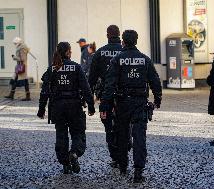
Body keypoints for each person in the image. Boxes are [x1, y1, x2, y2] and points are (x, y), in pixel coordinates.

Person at [100, 30, 162, 183]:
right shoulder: (145, 59)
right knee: (139, 136)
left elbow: (109, 84)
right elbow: (155, 81)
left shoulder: (117, 59)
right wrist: (158, 98)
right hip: (140, 102)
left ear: (123, 41)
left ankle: (122, 165)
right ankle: (138, 170)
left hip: (122, 103)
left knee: (122, 135)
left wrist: (105, 104)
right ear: (136, 40)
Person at [37, 42, 95, 174]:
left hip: (57, 107)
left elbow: (44, 91)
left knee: (61, 135)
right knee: (78, 133)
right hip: (74, 106)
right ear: (68, 52)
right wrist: (91, 106)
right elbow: (86, 88)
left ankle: (65, 163)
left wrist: (41, 109)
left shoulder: (52, 69)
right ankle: (74, 153)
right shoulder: (76, 67)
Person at [88, 25, 123, 168]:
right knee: (125, 121)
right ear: (119, 35)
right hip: (123, 93)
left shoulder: (100, 52)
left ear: (107, 35)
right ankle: (127, 142)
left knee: (108, 125)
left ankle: (114, 156)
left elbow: (92, 77)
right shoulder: (125, 51)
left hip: (106, 94)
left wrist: (88, 95)